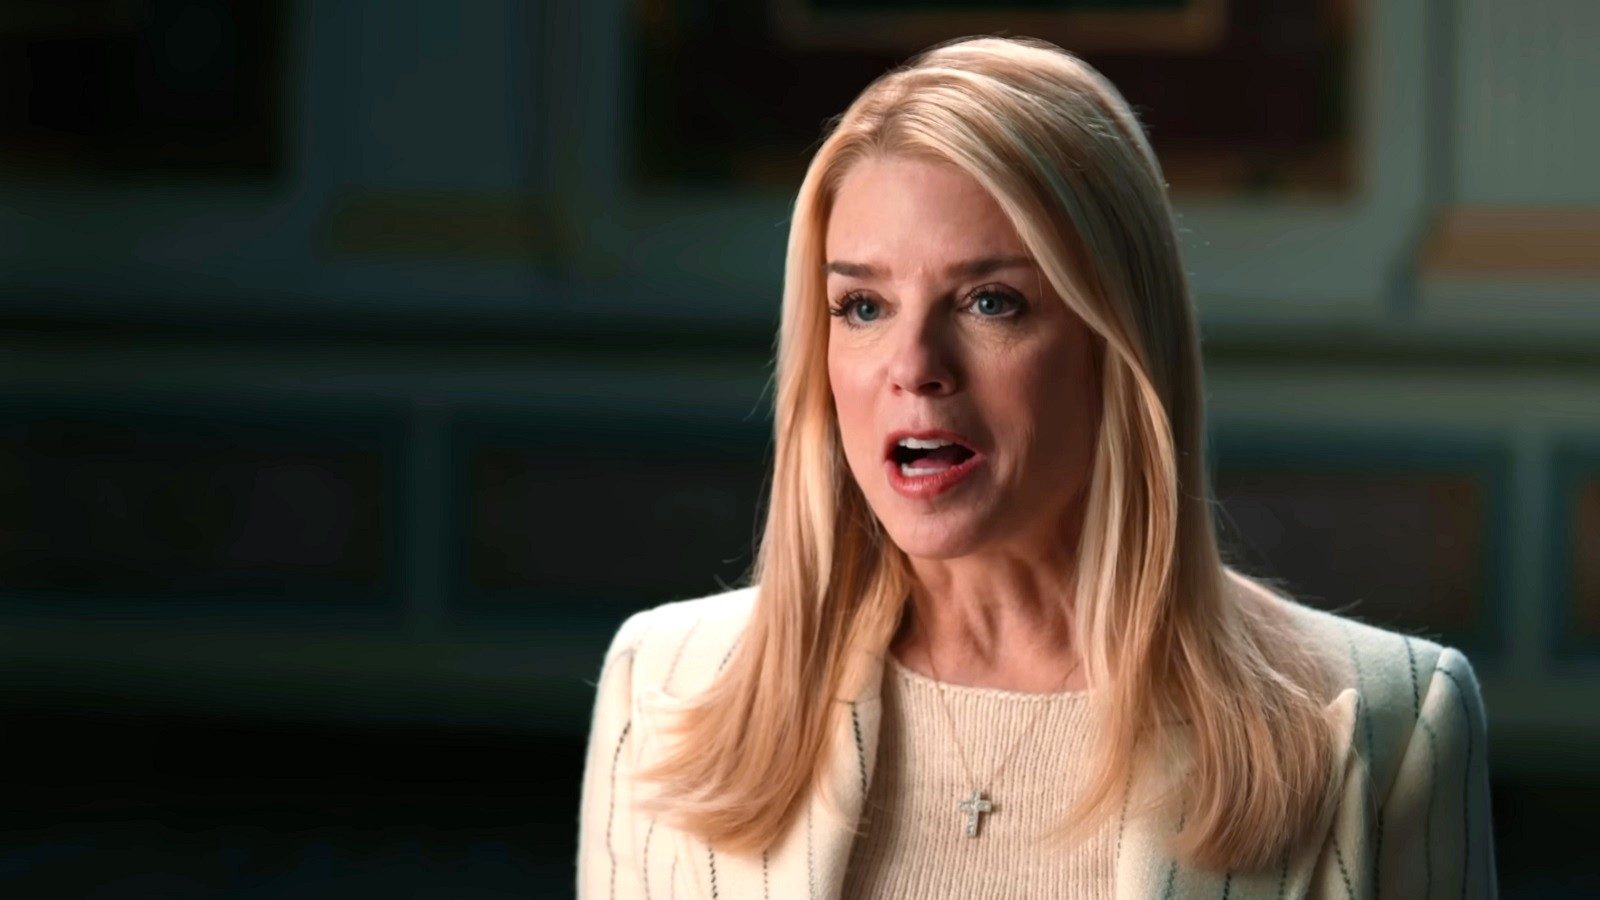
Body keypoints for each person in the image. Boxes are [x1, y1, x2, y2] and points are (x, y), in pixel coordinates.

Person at [576, 35, 1496, 899]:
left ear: (1117, 341)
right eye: (862, 306)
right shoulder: (663, 686)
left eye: (990, 301)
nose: (914, 366)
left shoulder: (1394, 723)